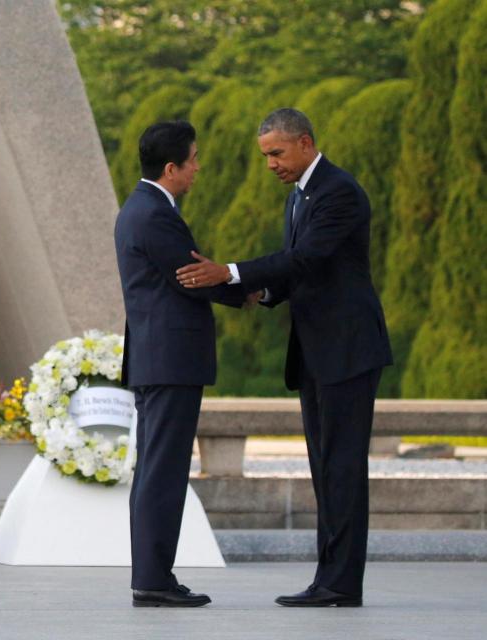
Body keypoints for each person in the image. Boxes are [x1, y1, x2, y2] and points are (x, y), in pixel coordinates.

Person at [176, 108, 392, 607]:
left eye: (276, 153)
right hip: (318, 351)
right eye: (265, 156)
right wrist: (262, 294)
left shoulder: (339, 191)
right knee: (324, 466)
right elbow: (298, 273)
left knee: (341, 467)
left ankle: (340, 585)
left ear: (306, 143)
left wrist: (229, 273)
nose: (270, 164)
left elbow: (305, 258)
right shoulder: (299, 197)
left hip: (348, 349)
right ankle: (328, 580)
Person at [114, 120, 249, 608]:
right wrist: (253, 285)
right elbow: (193, 276)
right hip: (170, 360)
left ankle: (153, 575)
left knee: (157, 469)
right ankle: (152, 579)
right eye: (192, 160)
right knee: (163, 472)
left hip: (158, 359)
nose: (197, 168)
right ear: (171, 168)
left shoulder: (142, 208)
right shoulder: (154, 214)